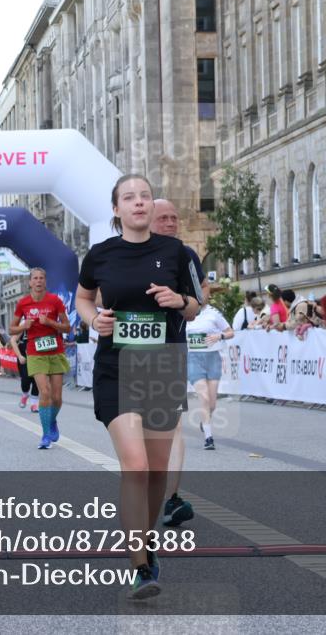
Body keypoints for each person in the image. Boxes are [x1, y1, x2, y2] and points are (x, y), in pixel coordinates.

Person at [74, 173, 200, 599]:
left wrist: (179, 301)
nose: (139, 203)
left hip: (162, 366)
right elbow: (83, 298)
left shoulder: (177, 252)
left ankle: (147, 542)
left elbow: (197, 307)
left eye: (145, 196)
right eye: (129, 198)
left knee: (157, 473)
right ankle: (141, 568)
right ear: (117, 209)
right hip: (116, 366)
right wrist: (95, 320)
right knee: (137, 466)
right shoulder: (100, 255)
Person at [150, 197, 207, 528]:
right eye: (164, 218)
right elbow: (98, 294)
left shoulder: (185, 255)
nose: (171, 223)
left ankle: (171, 498)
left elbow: (200, 297)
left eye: (175, 217)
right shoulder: (128, 253)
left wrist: (182, 300)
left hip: (171, 347)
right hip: (130, 353)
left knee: (170, 426)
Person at [10, 268, 71, 447]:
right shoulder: (23, 303)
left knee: (57, 397)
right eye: (35, 278)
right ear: (30, 282)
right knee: (44, 392)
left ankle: (51, 421)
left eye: (41, 278)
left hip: (55, 351)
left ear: (45, 281)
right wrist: (24, 326)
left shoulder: (55, 301)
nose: (38, 281)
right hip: (35, 352)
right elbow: (11, 329)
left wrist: (50, 322)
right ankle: (45, 435)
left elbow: (67, 327)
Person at [186, 302, 233, 450]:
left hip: (213, 359)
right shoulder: (184, 314)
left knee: (212, 404)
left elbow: (231, 332)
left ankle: (204, 421)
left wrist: (219, 335)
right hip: (193, 359)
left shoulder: (213, 313)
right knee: (204, 398)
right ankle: (208, 437)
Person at [11, 329, 40, 412]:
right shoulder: (25, 326)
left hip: (38, 358)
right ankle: (25, 394)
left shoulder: (42, 326)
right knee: (26, 379)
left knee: (37, 380)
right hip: (24, 358)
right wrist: (19, 356)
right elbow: (13, 340)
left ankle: (34, 404)